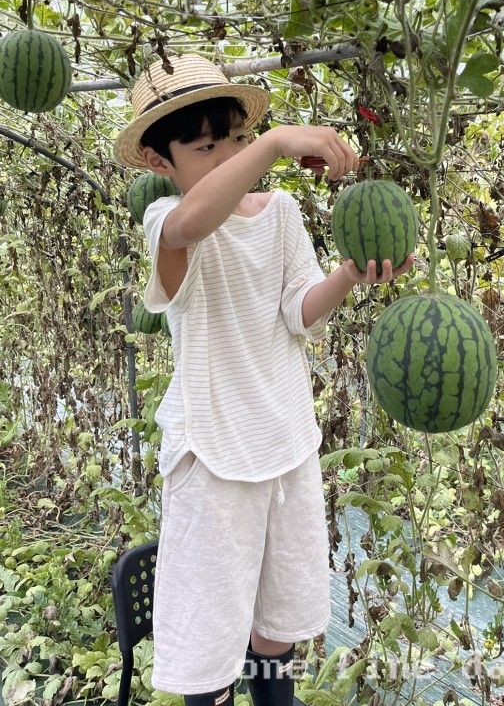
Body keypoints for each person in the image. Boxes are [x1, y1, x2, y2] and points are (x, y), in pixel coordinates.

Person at [112, 54, 414, 706]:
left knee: (275, 632)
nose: (227, 155)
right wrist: (276, 142)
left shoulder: (279, 213)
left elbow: (296, 308)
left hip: (284, 442)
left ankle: (276, 698)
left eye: (239, 139)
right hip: (213, 455)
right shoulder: (165, 224)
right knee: (211, 643)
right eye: (205, 146)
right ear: (163, 162)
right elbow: (195, 222)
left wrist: (349, 275)